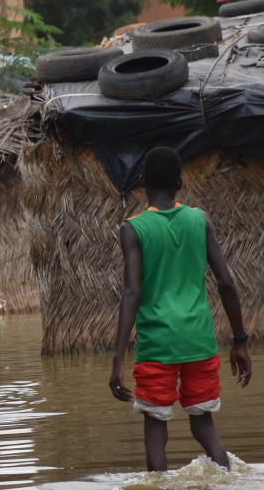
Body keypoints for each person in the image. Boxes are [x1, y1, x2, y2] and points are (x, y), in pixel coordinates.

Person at [108, 147, 252, 472]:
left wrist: (117, 360)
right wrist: (240, 341)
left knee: (156, 432)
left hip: (158, 344)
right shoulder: (199, 220)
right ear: (180, 183)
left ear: (142, 183)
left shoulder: (133, 229)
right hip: (199, 340)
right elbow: (226, 283)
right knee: (204, 427)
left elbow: (132, 293)